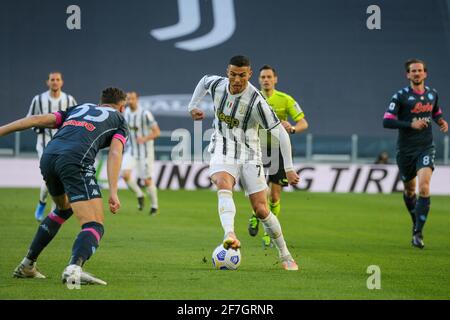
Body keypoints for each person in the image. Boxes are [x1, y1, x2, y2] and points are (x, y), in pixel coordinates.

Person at [0, 87, 129, 285]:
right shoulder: (119, 120)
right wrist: (113, 191)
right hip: (75, 161)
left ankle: (27, 265)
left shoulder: (79, 108)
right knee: (94, 224)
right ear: (122, 107)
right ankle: (74, 269)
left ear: (100, 101)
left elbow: (34, 120)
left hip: (49, 157)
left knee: (63, 208)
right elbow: (115, 153)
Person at [188, 55, 300, 270]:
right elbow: (203, 81)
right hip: (222, 147)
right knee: (223, 182)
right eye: (233, 74)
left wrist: (289, 168)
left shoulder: (257, 102)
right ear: (227, 72)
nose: (236, 79)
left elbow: (281, 134)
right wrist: (192, 106)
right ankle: (229, 233)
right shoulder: (218, 84)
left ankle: (285, 255)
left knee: (261, 209)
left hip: (250, 155)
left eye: (242, 75)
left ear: (249, 74)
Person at [383, 59, 448, 249]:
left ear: (425, 73)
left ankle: (418, 233)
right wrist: (410, 124)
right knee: (410, 190)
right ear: (408, 75)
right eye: (413, 71)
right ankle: (415, 223)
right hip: (405, 151)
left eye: (420, 70)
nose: (417, 73)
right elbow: (386, 121)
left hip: (425, 147)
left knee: (424, 188)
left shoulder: (432, 94)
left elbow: (435, 112)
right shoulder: (400, 96)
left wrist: (441, 121)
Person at [248, 65, 309, 247]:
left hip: (278, 151)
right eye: (263, 77)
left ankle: (267, 230)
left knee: (274, 196)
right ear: (259, 80)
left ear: (275, 79)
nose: (266, 80)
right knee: (259, 190)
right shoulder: (253, 97)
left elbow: (303, 122)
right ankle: (255, 215)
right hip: (257, 150)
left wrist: (292, 128)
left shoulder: (285, 99)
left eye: (269, 77)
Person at [27, 72, 78, 222]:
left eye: (57, 80)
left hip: (64, 145)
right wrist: (40, 128)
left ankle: (51, 213)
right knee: (49, 179)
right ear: (47, 82)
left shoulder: (69, 99)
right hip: (44, 144)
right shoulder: (38, 99)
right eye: (52, 80)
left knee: (57, 179)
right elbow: (30, 119)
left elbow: (77, 117)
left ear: (62, 82)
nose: (55, 82)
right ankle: (42, 204)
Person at [121, 91, 160, 215]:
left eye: (132, 99)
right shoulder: (126, 113)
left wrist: (144, 138)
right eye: (128, 99)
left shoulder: (145, 114)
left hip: (145, 152)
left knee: (147, 181)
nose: (130, 101)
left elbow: (157, 132)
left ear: (137, 99)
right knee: (125, 174)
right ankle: (139, 194)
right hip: (132, 150)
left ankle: (154, 206)